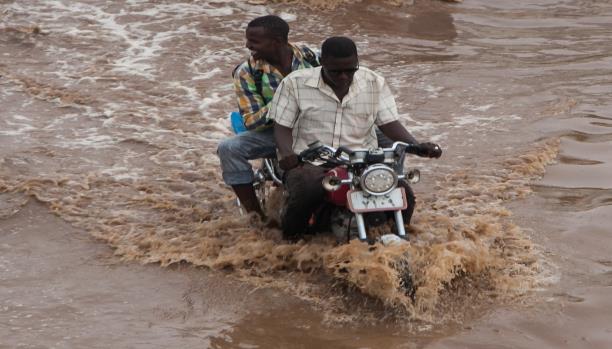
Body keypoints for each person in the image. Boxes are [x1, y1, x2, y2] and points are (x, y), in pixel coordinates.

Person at [270, 36, 442, 240]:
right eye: (336, 71)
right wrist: (288, 153)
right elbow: (282, 126)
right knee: (308, 191)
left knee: (404, 194)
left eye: (350, 70)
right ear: (322, 62)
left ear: (357, 62)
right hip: (310, 160)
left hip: (361, 160)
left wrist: (417, 145)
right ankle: (291, 241)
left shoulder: (373, 81)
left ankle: (397, 235)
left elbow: (389, 123)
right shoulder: (295, 83)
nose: (343, 76)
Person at [216, 15, 319, 218]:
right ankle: (257, 217)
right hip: (273, 132)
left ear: (278, 41)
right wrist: (285, 102)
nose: (248, 46)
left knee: (379, 134)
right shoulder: (246, 72)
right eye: (248, 40)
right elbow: (252, 121)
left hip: (320, 125)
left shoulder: (312, 58)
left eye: (254, 41)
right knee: (228, 148)